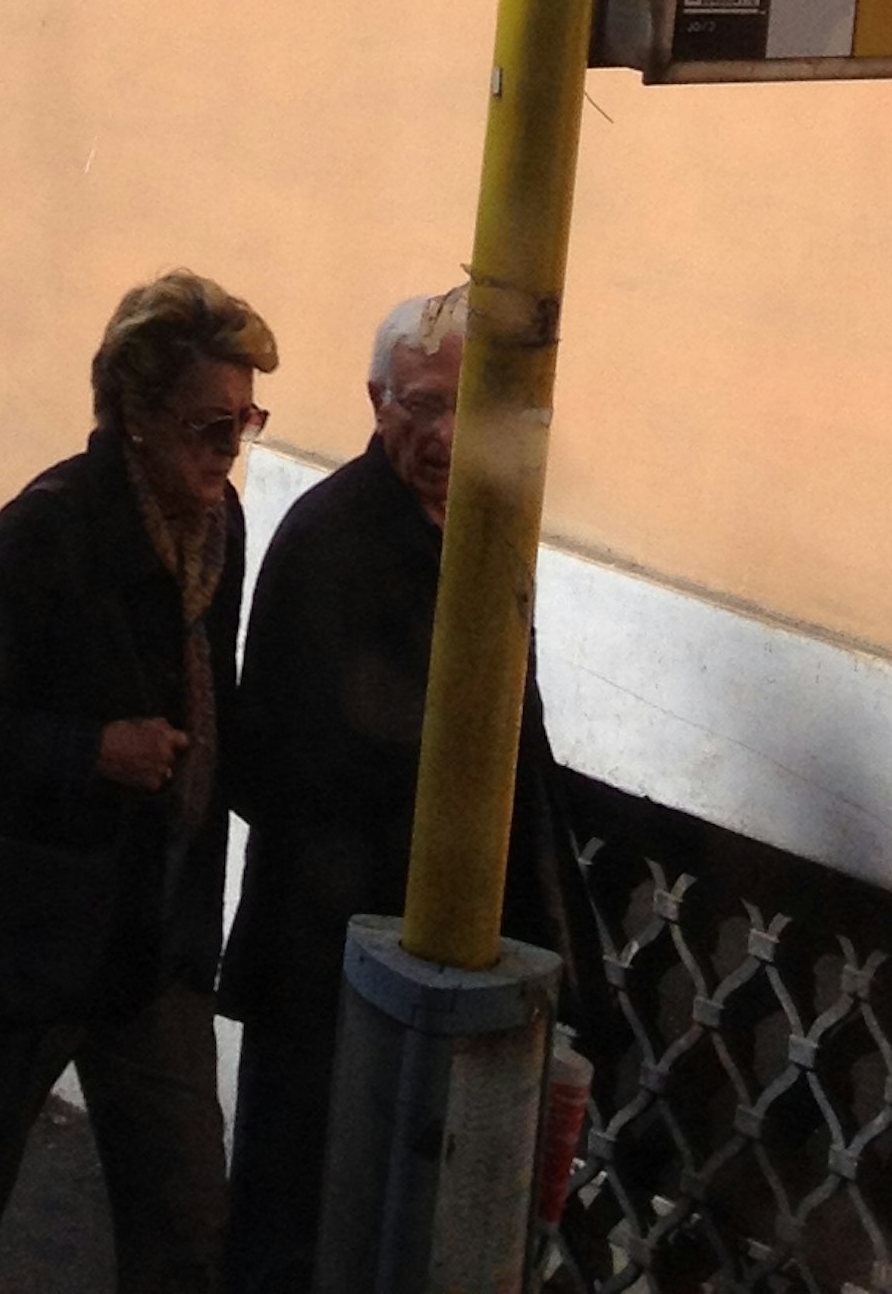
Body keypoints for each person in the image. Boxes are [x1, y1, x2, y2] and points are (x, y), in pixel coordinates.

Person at [0, 267, 282, 1294]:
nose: (228, 447)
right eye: (210, 423)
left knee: (188, 1221)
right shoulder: (55, 525)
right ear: (136, 412)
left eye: (245, 421)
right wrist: (90, 748)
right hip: (27, 930)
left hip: (152, 940)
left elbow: (212, 704)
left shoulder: (216, 528)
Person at [217, 290, 585, 1294]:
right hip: (328, 949)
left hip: (449, 946)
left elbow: (522, 731)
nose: (446, 432)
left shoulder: (487, 529)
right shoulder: (329, 536)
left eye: (470, 405)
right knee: (298, 1223)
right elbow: (276, 763)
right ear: (377, 398)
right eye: (422, 403)